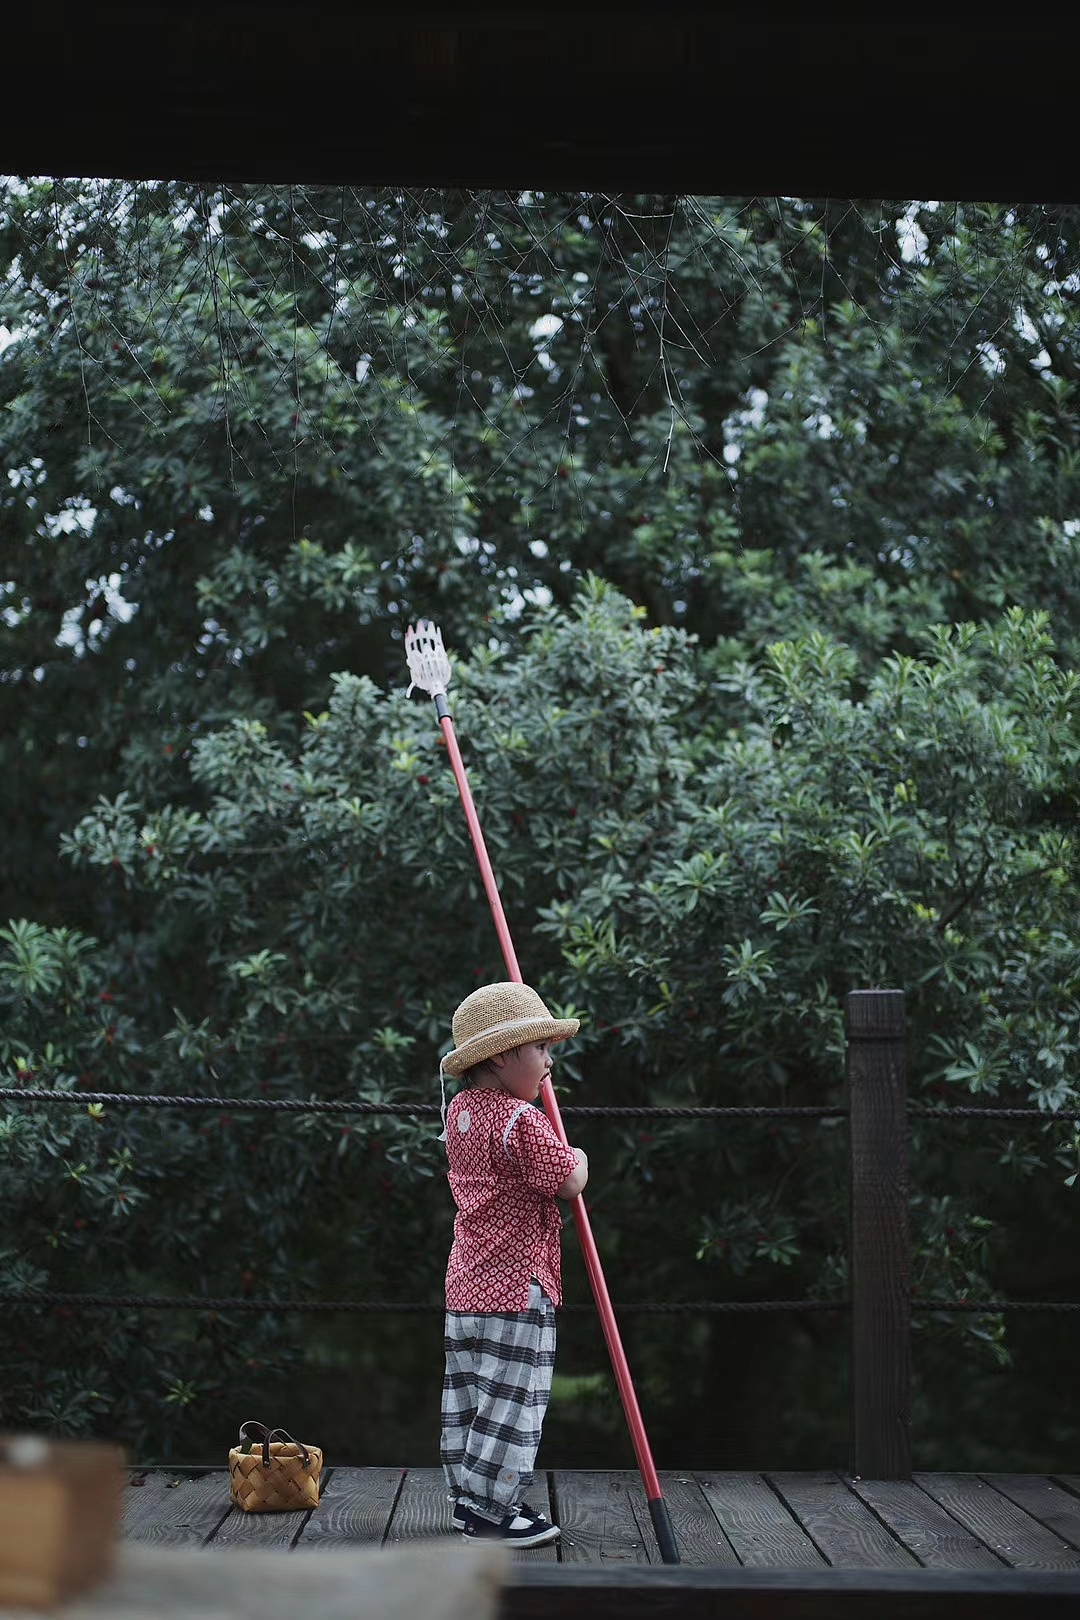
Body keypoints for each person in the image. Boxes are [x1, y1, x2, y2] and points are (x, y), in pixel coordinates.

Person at [438, 981, 588, 1546]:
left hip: (467, 1279)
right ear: (502, 1056)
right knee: (514, 1397)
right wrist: (579, 1156)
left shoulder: (459, 1114)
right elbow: (566, 1180)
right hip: (517, 1283)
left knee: (471, 1393)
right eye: (541, 1050)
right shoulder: (522, 1122)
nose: (549, 1063)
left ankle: (467, 1498)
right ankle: (491, 1512)